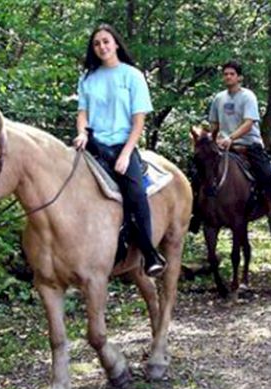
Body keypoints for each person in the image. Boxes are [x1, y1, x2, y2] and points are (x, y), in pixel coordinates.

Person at [73, 24, 164, 277]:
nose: (102, 46)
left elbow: (139, 121)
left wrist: (125, 154)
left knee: (135, 193)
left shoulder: (132, 75)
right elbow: (83, 114)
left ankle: (150, 253)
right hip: (94, 145)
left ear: (115, 44)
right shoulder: (88, 78)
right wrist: (82, 133)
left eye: (106, 41)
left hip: (123, 146)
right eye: (97, 43)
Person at [192, 60, 271, 230]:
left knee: (266, 173)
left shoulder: (248, 96)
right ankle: (197, 212)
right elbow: (214, 124)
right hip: (222, 146)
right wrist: (210, 137)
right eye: (226, 74)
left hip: (248, 145)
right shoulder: (218, 98)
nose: (228, 77)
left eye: (231, 74)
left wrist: (231, 138)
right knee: (199, 170)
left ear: (239, 77)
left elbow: (248, 123)